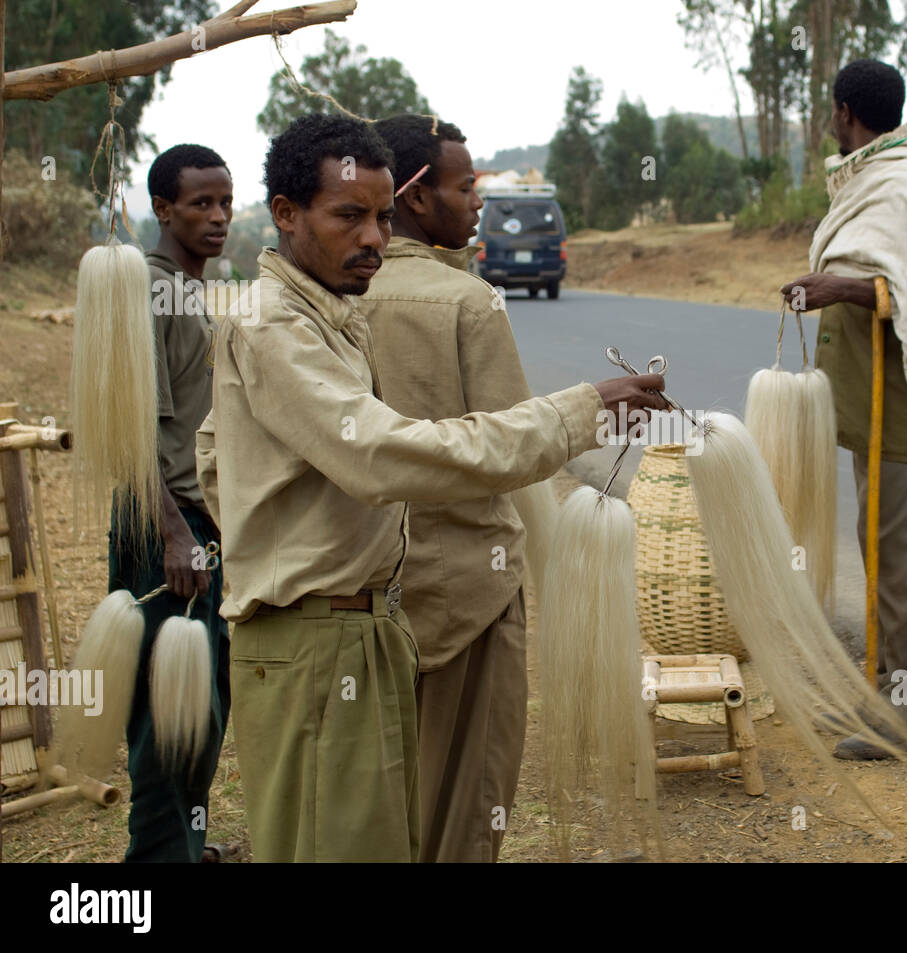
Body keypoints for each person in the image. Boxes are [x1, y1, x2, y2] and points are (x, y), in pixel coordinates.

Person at [193, 113, 667, 863]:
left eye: (381, 217)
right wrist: (579, 411)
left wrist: (276, 538)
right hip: (317, 640)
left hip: (361, 629)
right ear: (285, 213)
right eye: (349, 216)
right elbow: (383, 456)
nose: (374, 237)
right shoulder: (274, 326)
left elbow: (214, 459)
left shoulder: (333, 315)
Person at [779, 59, 907, 759]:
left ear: (844, 112)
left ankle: (903, 714)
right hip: (871, 403)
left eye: (829, 112)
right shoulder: (880, 175)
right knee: (885, 549)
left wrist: (839, 290)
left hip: (901, 402)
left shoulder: (904, 183)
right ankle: (895, 693)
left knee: (897, 558)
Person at [362, 114, 534, 862]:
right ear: (417, 196)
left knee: (381, 790)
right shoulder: (467, 301)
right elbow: (511, 450)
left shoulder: (322, 298)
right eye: (465, 187)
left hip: (366, 596)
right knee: (468, 800)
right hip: (471, 590)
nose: (477, 205)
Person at [108, 144, 234, 863]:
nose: (217, 218)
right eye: (200, 204)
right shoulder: (145, 291)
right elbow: (130, 428)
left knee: (202, 707)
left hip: (199, 526)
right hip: (165, 529)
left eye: (225, 202)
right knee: (166, 714)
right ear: (162, 208)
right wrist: (171, 532)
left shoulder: (189, 292)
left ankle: (184, 843)